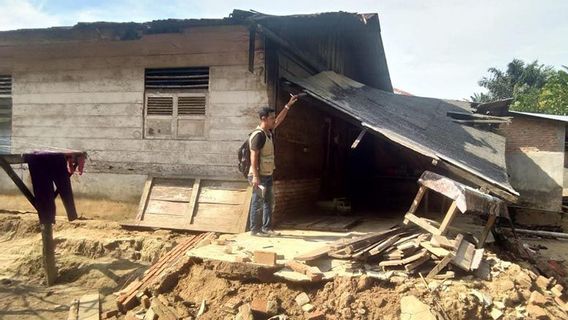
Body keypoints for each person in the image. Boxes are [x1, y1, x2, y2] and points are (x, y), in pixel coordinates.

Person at [248, 95, 299, 236]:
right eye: (271, 118)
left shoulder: (268, 132)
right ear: (263, 118)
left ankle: (266, 228)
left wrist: (288, 105)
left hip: (267, 173)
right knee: (257, 202)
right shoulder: (258, 135)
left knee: (269, 202)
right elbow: (254, 156)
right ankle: (255, 230)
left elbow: (279, 120)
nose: (273, 120)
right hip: (258, 175)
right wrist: (256, 177)